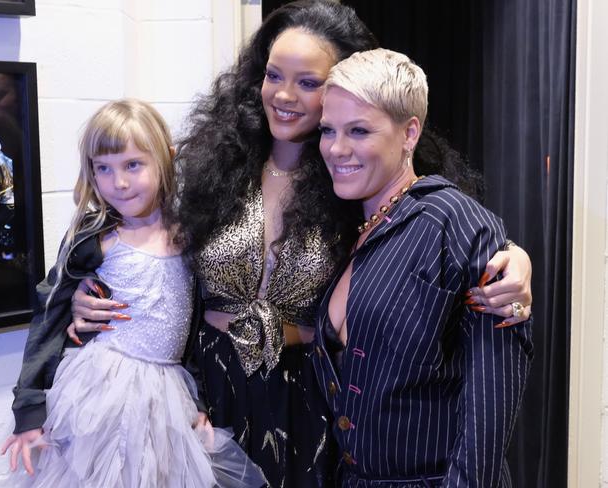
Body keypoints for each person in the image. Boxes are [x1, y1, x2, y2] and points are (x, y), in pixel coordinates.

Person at [69, 2, 532, 487]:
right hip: (208, 395)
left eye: (309, 83)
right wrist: (86, 291)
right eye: (274, 75)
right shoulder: (213, 166)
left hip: (313, 405)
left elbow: (428, 221)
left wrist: (515, 260)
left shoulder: (351, 174)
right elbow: (142, 243)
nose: (285, 95)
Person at [0, 99, 265, 488]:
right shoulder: (94, 236)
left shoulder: (188, 236)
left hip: (166, 400)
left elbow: (189, 329)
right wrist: (28, 408)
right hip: (101, 394)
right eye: (102, 168)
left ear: (166, 159)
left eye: (133, 165)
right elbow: (50, 314)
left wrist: (197, 402)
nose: (118, 183)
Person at [313, 48, 533, 487]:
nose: (336, 148)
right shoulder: (352, 228)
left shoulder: (456, 222)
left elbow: (488, 411)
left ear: (410, 132)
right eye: (328, 130)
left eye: (358, 130)